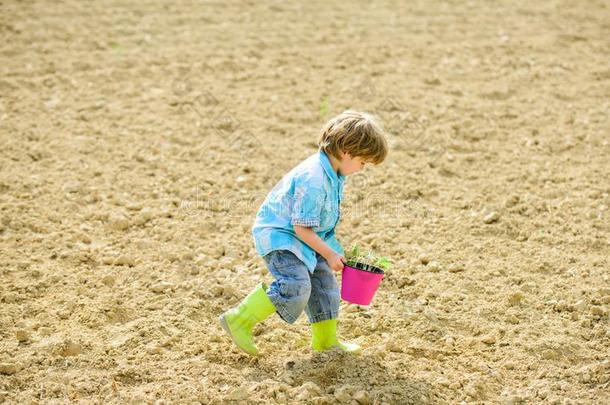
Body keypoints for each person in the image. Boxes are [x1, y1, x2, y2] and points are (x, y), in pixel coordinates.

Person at [219, 110, 388, 356]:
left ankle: (326, 341)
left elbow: (318, 224)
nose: (362, 168)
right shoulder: (314, 179)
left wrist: (334, 251)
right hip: (282, 237)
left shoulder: (335, 173)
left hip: (305, 238)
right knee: (296, 286)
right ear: (346, 152)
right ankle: (240, 319)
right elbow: (301, 228)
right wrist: (329, 255)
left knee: (324, 286)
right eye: (363, 162)